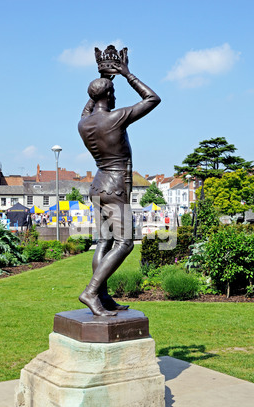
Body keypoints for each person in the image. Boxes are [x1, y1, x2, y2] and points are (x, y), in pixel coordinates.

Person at [78, 49, 161, 316]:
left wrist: (102, 78)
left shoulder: (84, 123)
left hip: (97, 186)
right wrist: (127, 75)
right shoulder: (116, 118)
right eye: (112, 92)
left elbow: (88, 106)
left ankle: (102, 296)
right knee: (124, 243)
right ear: (108, 95)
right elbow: (152, 98)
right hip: (115, 186)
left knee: (104, 241)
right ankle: (91, 292)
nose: (115, 96)